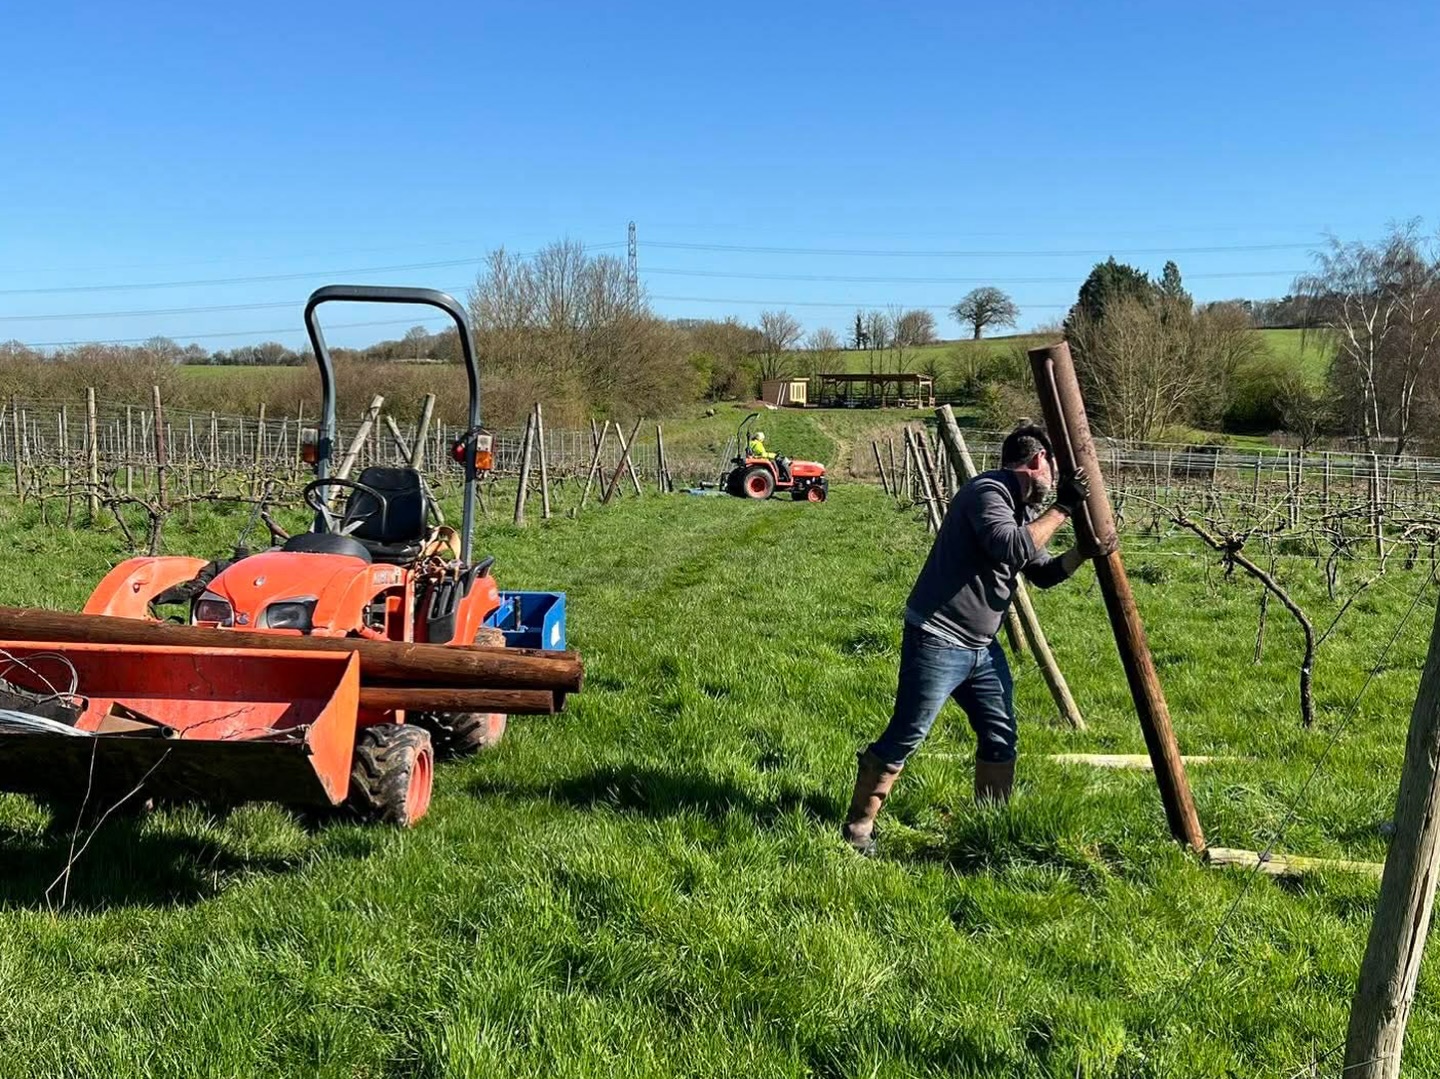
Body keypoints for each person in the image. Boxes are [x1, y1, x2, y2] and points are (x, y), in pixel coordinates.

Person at [841, 423, 1105, 856]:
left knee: (1000, 734)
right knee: (908, 733)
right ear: (1038, 462)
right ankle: (858, 828)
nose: (1055, 482)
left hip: (980, 647)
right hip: (937, 636)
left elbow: (1040, 572)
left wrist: (1083, 553)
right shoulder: (989, 492)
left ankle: (988, 828)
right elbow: (1009, 547)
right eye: (1054, 472)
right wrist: (1064, 508)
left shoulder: (1020, 508)